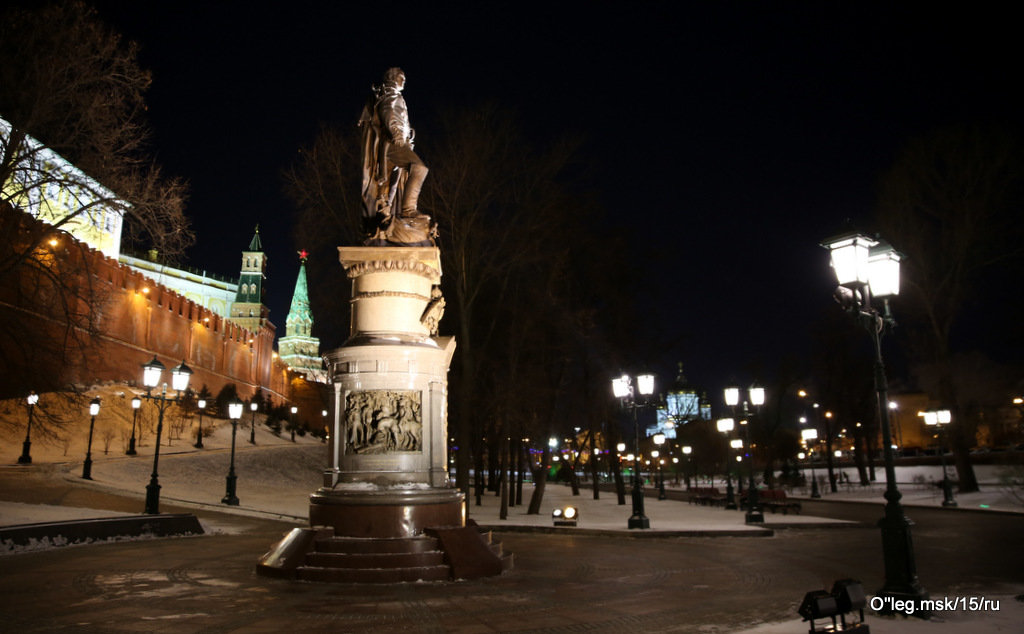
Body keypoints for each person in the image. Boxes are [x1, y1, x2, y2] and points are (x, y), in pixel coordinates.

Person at [360, 68, 430, 240]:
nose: (404, 80)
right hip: (393, 144)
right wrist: (397, 133)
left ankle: (387, 213)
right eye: (401, 77)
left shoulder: (391, 94)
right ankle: (408, 211)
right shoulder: (391, 93)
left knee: (390, 189)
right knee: (419, 168)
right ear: (392, 78)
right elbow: (389, 112)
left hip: (395, 143)